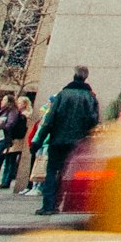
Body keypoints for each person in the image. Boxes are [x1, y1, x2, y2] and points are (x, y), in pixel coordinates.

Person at [34, 67, 100, 215]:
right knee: (68, 173)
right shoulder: (90, 97)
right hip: (77, 142)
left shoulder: (62, 95)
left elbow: (49, 120)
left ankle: (48, 205)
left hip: (58, 140)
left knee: (52, 171)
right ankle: (61, 203)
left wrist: (39, 140)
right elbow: (93, 120)